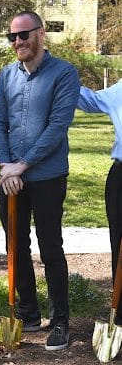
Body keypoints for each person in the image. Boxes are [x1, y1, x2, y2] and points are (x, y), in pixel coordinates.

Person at [0, 11, 80, 350]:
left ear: (41, 34)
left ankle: (60, 322)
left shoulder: (64, 73)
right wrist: (6, 166)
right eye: (12, 37)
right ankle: (27, 313)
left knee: (50, 247)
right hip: (10, 174)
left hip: (47, 176)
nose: (17, 43)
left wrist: (21, 166)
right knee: (15, 246)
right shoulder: (6, 76)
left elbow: (57, 128)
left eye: (24, 35)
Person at [78, 79, 122, 326]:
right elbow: (89, 100)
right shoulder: (121, 89)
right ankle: (121, 316)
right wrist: (59, 75)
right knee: (119, 246)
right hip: (120, 176)